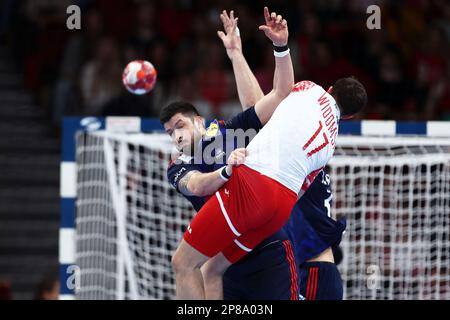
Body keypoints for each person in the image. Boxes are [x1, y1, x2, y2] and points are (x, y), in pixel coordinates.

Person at [170, 7, 368, 300]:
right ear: (349, 118)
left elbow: (265, 103)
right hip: (284, 215)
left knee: (184, 263)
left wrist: (271, 49)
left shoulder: (307, 94)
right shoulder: (327, 147)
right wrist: (240, 52)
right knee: (212, 269)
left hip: (297, 255)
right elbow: (296, 190)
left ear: (328, 88)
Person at [162, 7, 296, 299]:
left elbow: (280, 95)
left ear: (199, 121)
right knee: (193, 266)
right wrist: (225, 171)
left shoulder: (227, 131)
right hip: (225, 260)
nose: (176, 135)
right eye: (170, 132)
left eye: (180, 125)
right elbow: (197, 185)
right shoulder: (177, 166)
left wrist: (278, 48)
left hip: (268, 247)